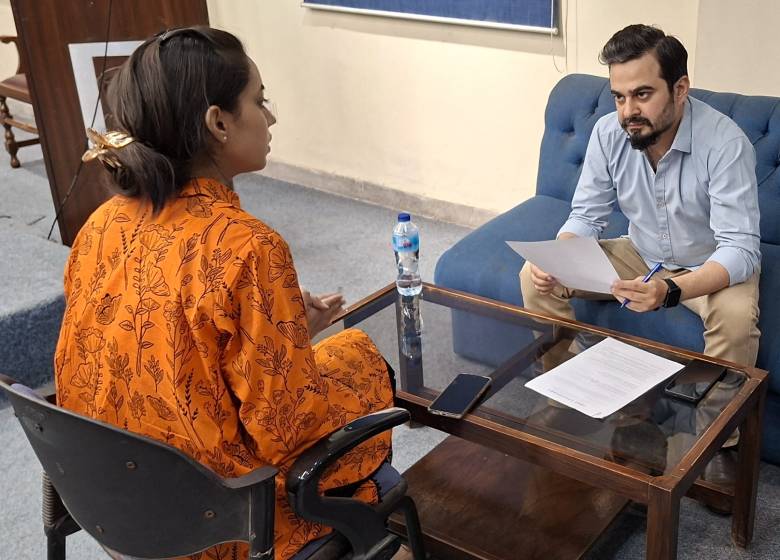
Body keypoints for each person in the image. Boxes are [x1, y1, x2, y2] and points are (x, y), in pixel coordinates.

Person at [54, 26, 395, 560]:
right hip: (221, 521)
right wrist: (318, 356)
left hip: (118, 500)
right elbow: (288, 431)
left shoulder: (101, 224)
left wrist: (285, 335)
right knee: (362, 357)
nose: (271, 118)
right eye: (259, 101)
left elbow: (156, 357)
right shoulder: (248, 247)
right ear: (218, 123)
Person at [519, 24, 760, 488]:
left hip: (710, 264)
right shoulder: (609, 133)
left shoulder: (725, 144)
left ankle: (714, 442)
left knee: (735, 321)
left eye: (643, 94)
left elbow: (741, 250)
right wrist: (559, 257)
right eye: (619, 96)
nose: (628, 111)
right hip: (641, 252)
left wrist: (669, 291)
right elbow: (586, 216)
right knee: (535, 277)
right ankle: (570, 397)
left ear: (680, 89)